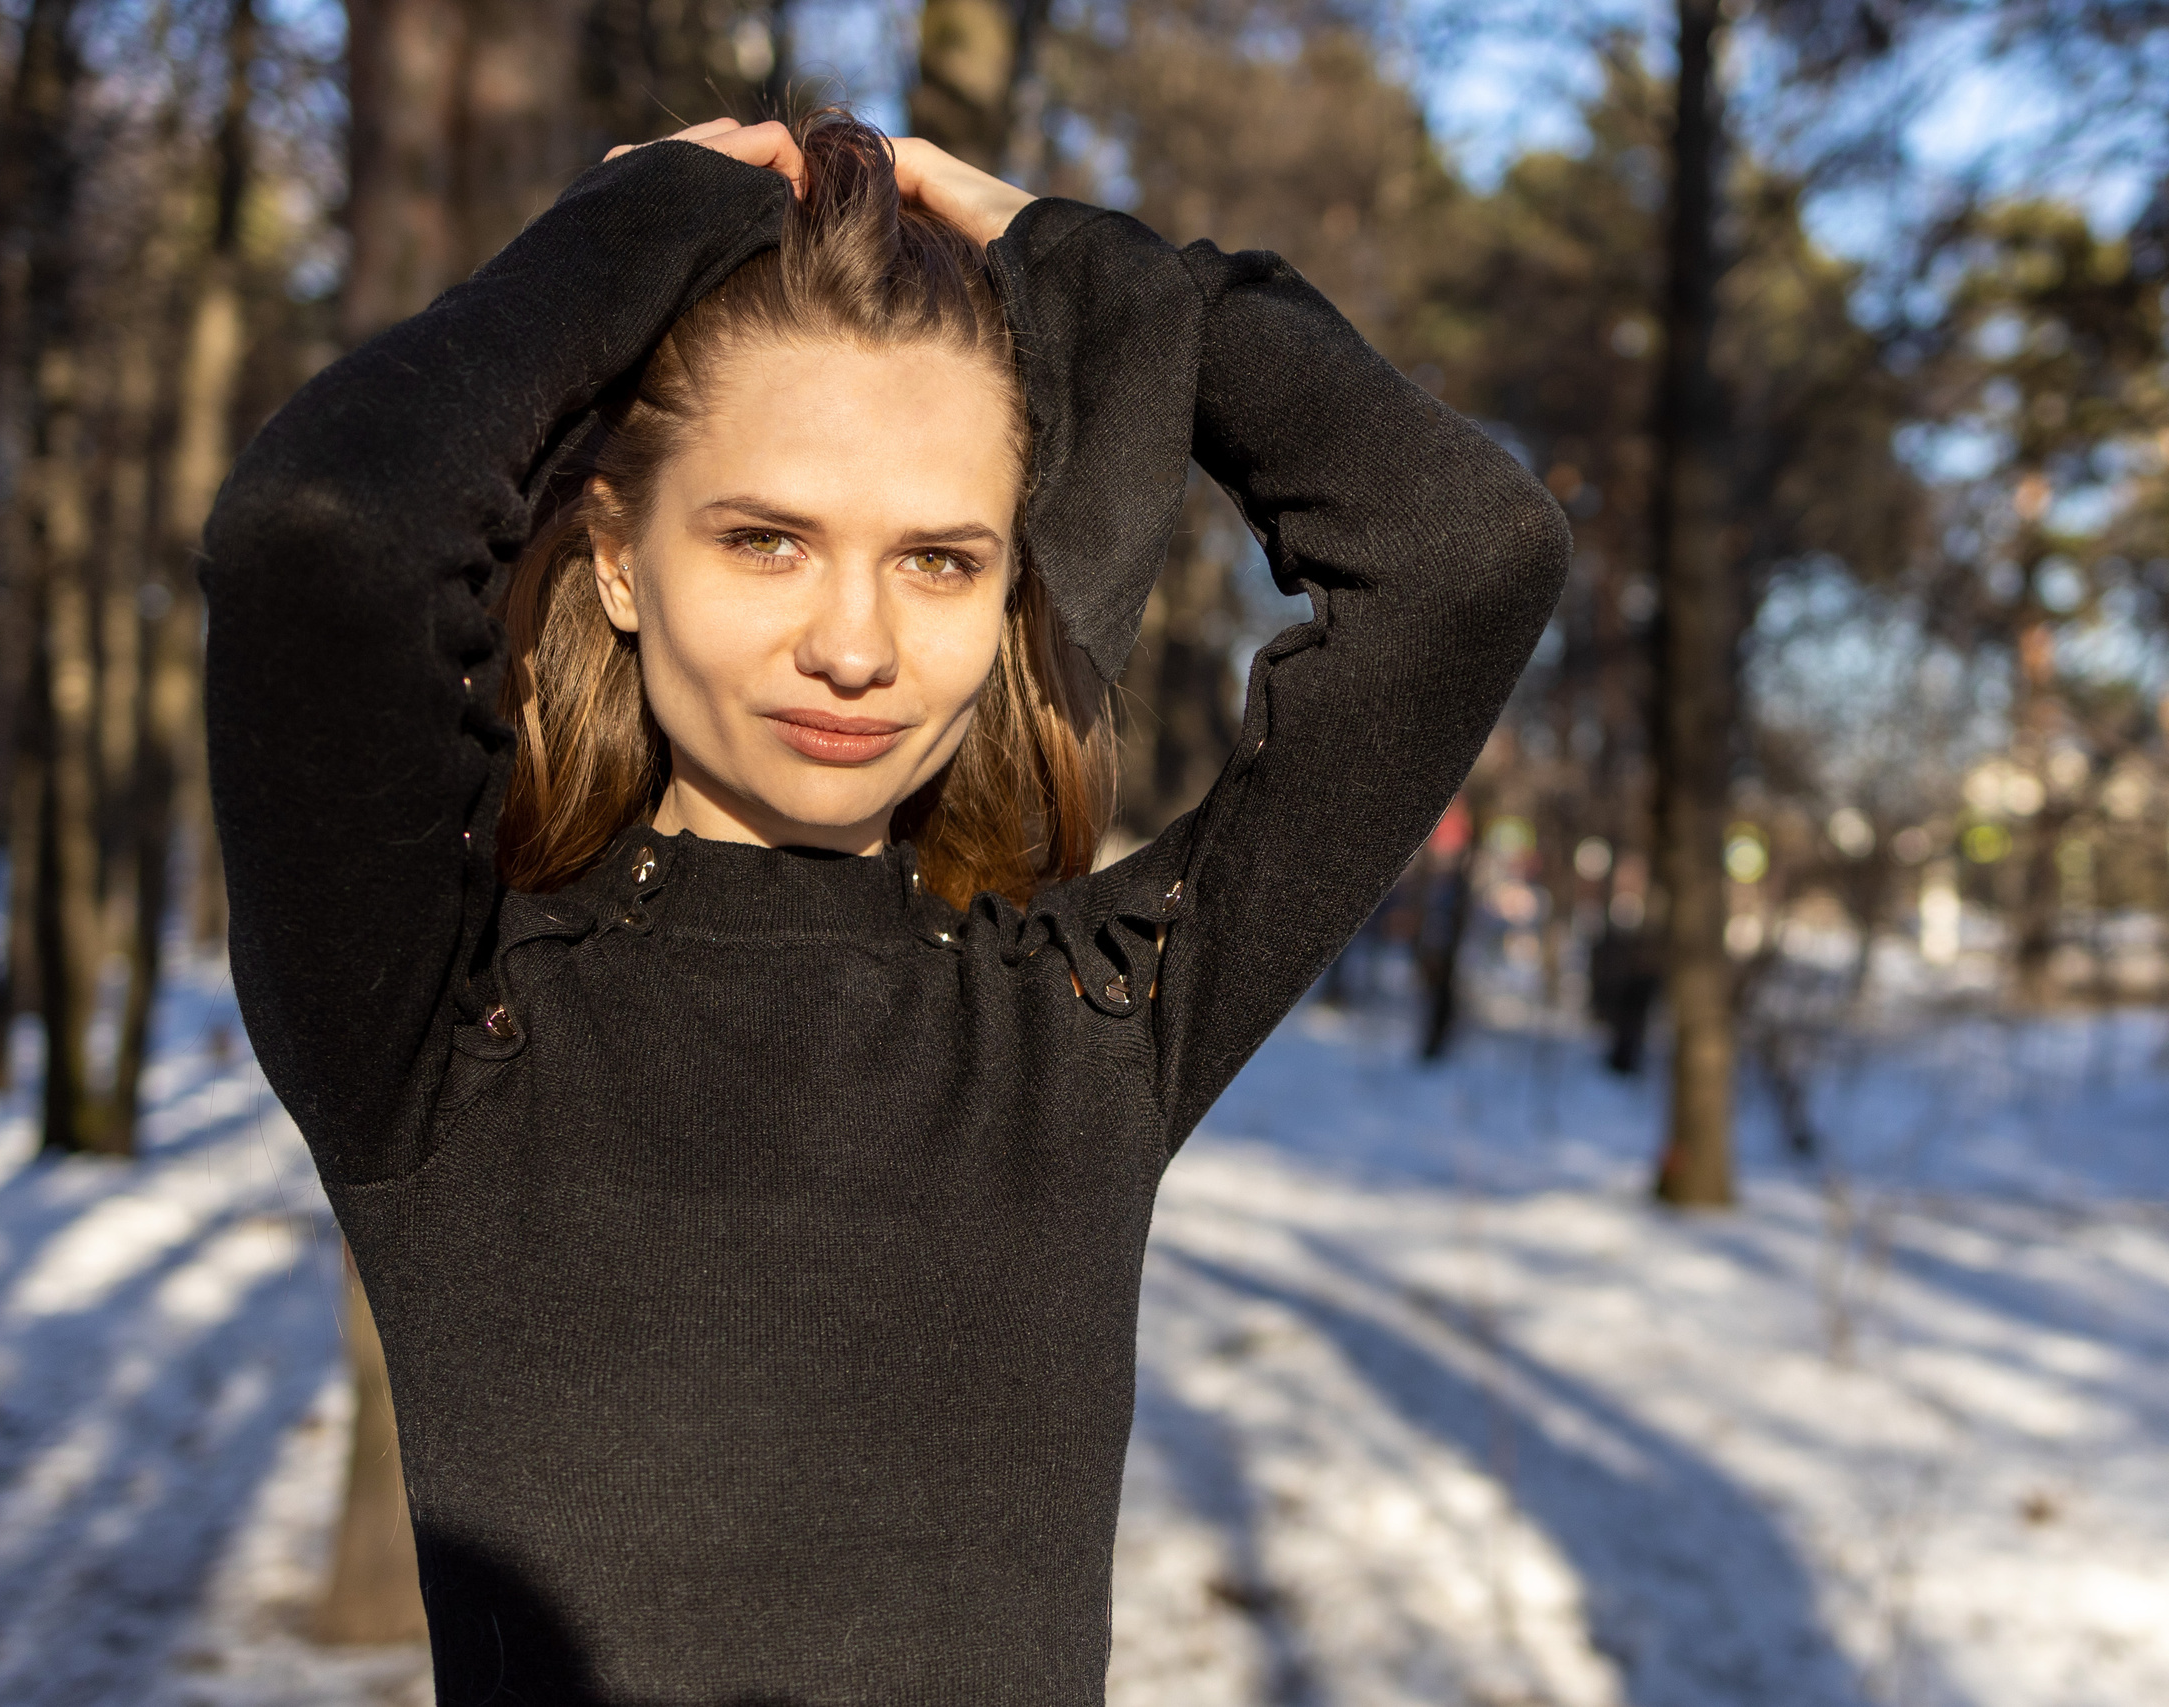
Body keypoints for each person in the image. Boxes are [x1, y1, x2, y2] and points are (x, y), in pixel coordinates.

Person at [202, 110, 1568, 1705]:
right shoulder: (443, 1035)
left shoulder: (1087, 1026)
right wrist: (634, 231)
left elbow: (1465, 554)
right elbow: (320, 533)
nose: (853, 647)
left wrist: (1098, 272)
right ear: (621, 561)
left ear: (1006, 591)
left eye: (937, 561)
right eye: (767, 540)